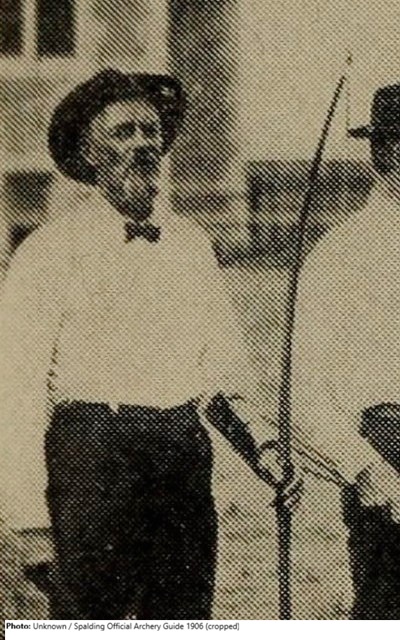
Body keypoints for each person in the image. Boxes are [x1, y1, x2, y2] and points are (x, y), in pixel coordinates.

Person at [0, 69, 299, 621]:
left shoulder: (191, 245)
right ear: (88, 154)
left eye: (151, 131)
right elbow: (16, 398)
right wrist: (33, 526)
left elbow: (221, 370)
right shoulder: (47, 253)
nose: (141, 144)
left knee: (182, 623)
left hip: (181, 465)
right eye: (122, 132)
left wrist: (263, 449)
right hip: (92, 467)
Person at [292, 83, 400, 619]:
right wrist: (366, 470)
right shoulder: (341, 255)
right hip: (389, 456)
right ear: (391, 152)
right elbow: (305, 396)